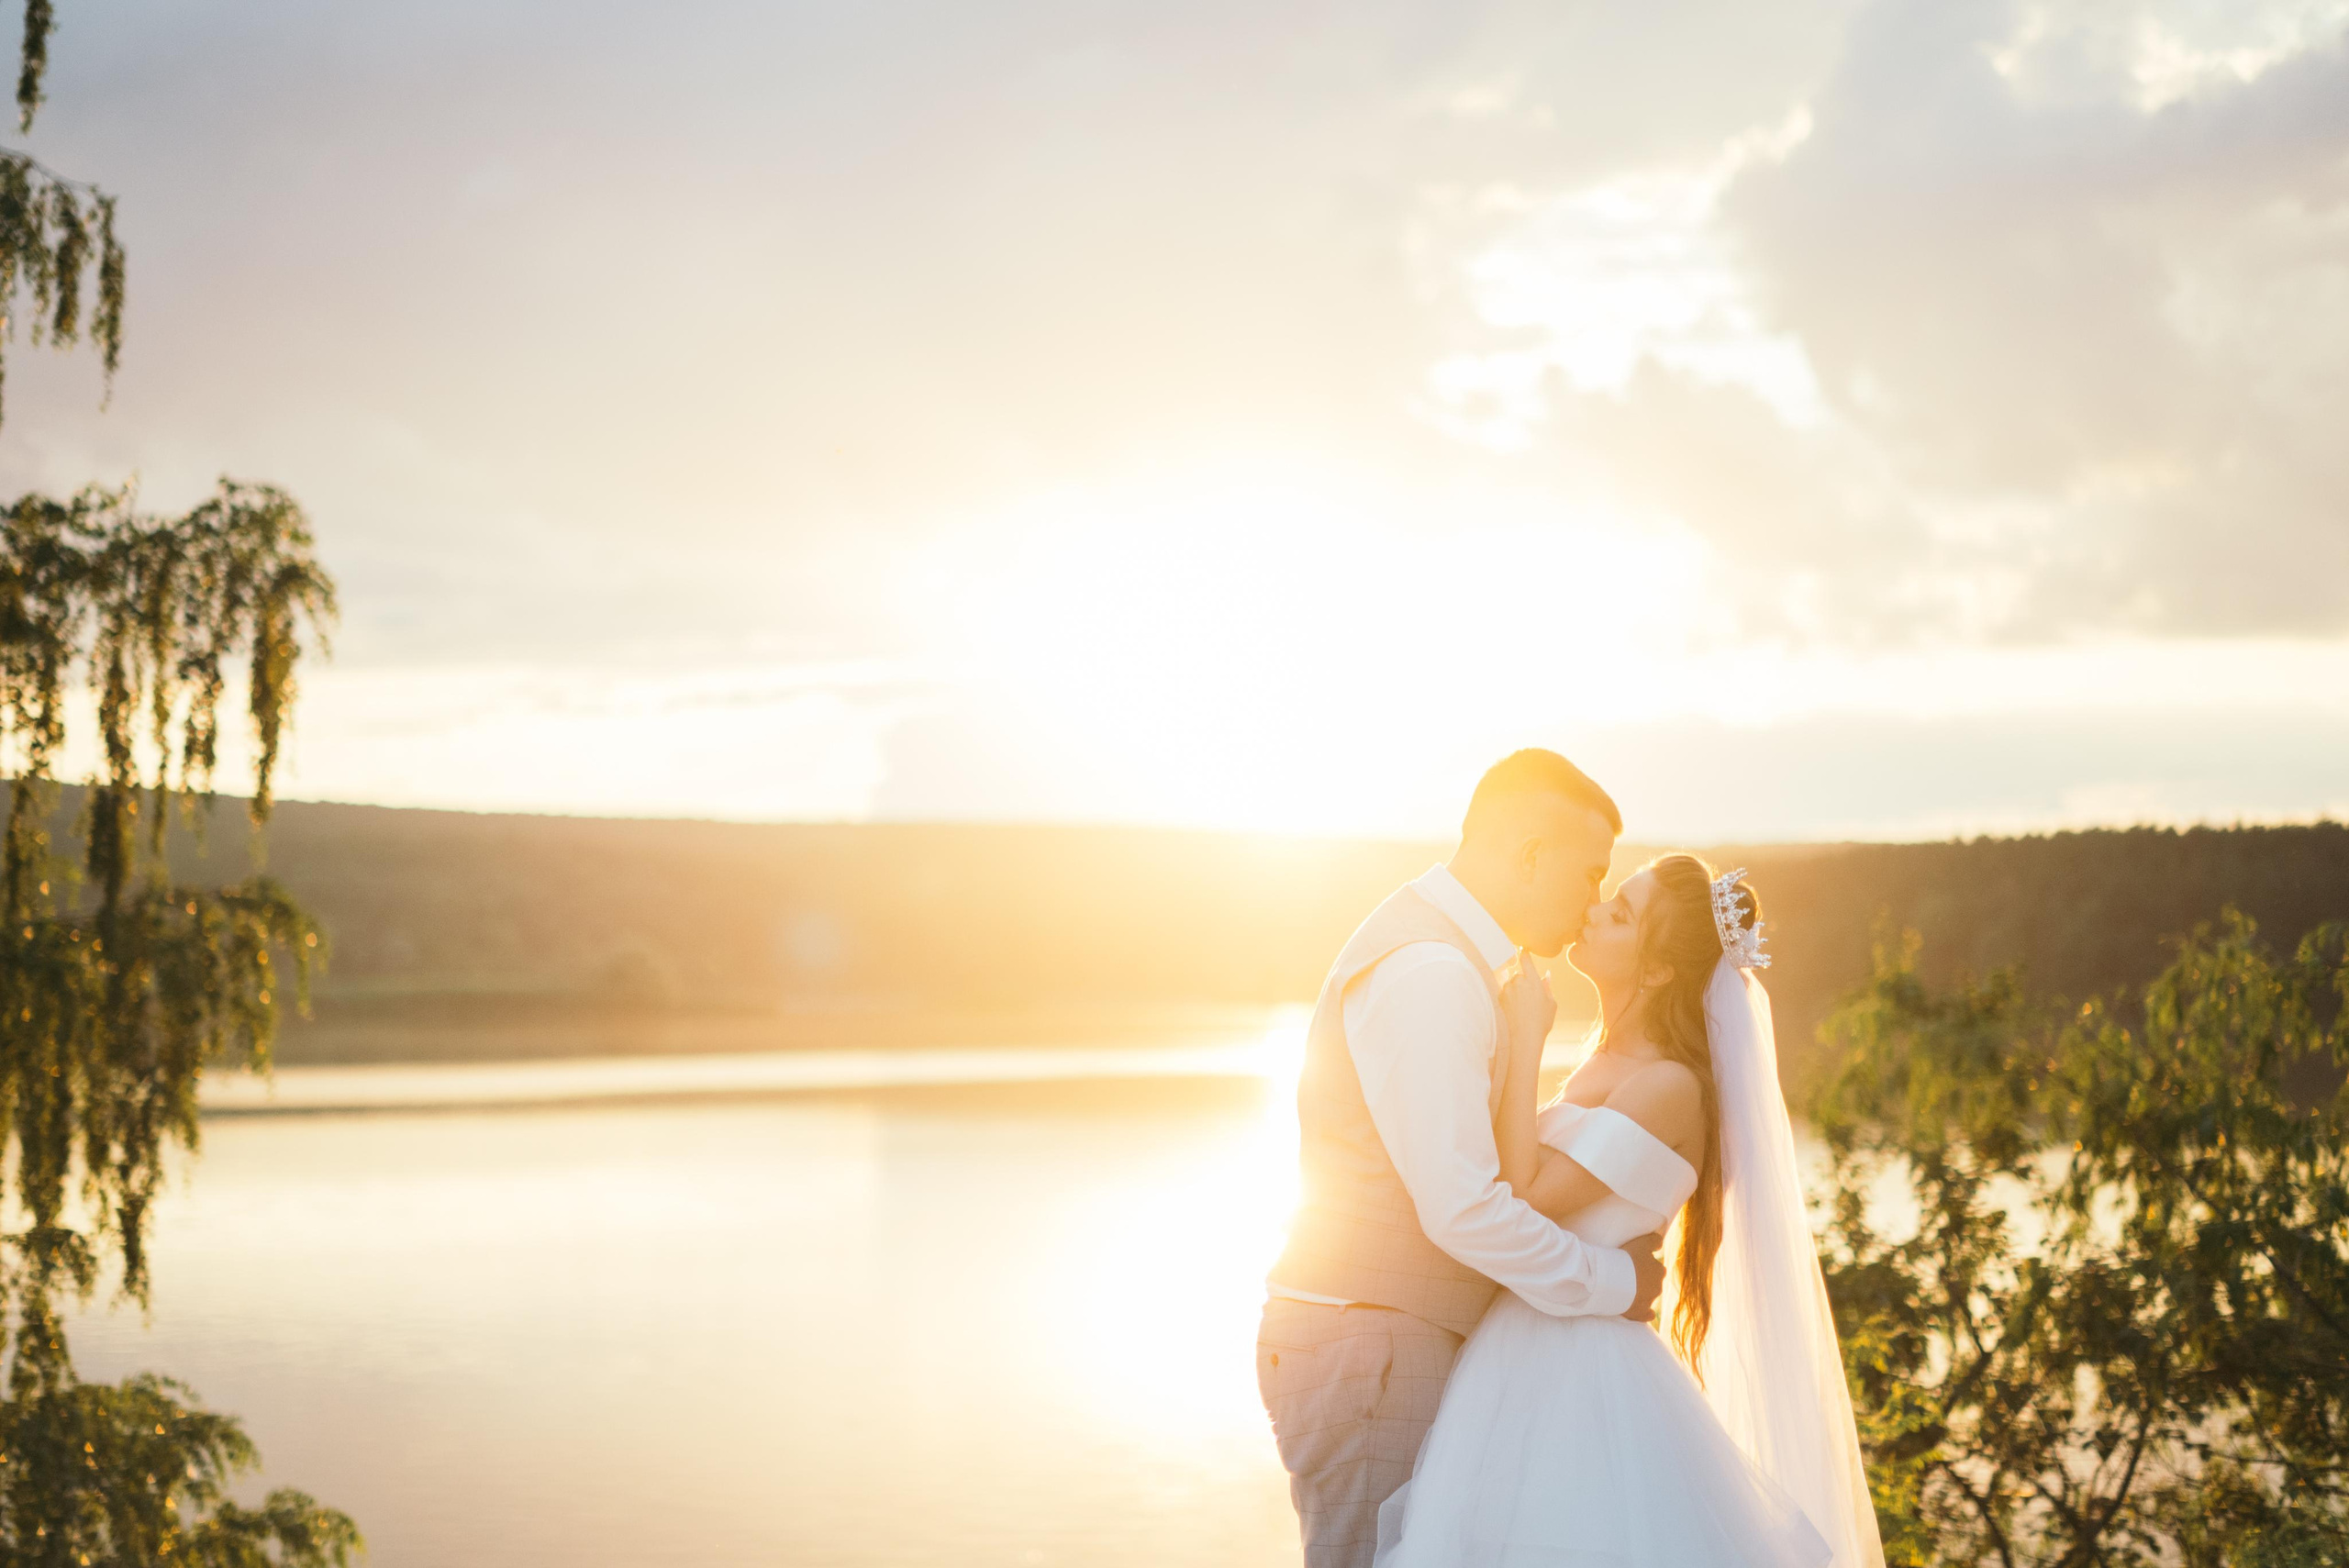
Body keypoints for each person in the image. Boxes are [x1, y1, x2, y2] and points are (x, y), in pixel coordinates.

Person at [1370, 855, 1887, 1568]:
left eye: (1621, 913)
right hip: (1521, 1354)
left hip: (1585, 1377)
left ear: (1655, 972)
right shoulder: (1601, 1065)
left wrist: (1525, 1041)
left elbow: (1523, 1194)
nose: (1594, 911)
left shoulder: (1669, 1085)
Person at [1257, 751, 1669, 1568]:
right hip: (1369, 1346)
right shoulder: (1434, 972)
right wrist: (1614, 1282)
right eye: (1589, 874)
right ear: (1528, 854)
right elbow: (1462, 1206)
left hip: (1374, 1339)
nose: (1593, 902)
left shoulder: (1454, 958)